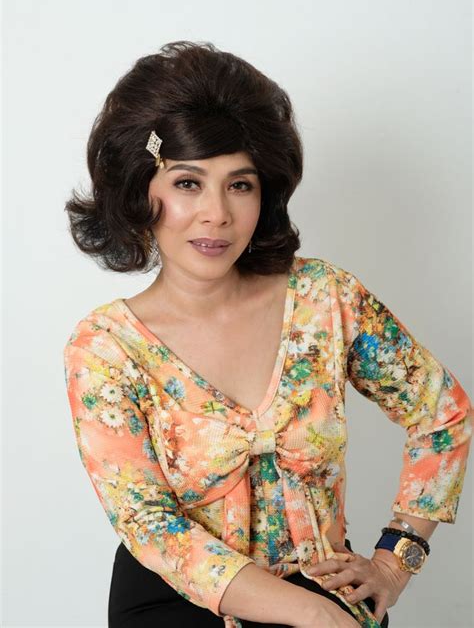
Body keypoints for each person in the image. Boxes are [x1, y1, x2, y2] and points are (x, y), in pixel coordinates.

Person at [63, 40, 472, 628]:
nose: (216, 213)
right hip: (173, 603)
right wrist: (312, 614)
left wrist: (395, 561)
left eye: (240, 184)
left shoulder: (324, 300)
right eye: (187, 183)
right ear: (140, 190)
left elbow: (442, 413)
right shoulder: (105, 349)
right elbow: (149, 524)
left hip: (328, 590)